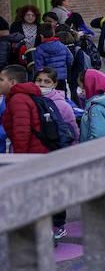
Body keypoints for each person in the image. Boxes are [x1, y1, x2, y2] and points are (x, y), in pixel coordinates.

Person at [0, 63, 67, 238]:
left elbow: (22, 133)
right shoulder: (22, 96)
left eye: (1, 80)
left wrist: (20, 162)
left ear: (12, 82)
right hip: (41, 151)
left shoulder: (18, 99)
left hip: (32, 153)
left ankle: (42, 234)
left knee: (35, 195)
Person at [32, 22, 73, 88]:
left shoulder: (39, 49)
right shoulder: (62, 46)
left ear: (41, 36)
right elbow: (70, 60)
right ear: (53, 33)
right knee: (62, 96)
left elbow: (39, 67)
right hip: (62, 78)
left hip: (48, 80)